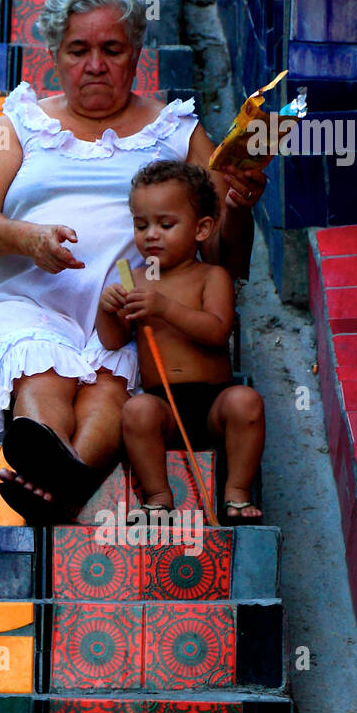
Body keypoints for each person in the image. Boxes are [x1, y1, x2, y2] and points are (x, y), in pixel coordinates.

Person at [0, 0, 266, 523]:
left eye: (113, 49)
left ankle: (57, 485)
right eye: (79, 50)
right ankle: (68, 477)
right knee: (41, 372)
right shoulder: (22, 123)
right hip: (34, 301)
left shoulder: (177, 132)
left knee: (110, 389)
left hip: (130, 308)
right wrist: (27, 237)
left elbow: (227, 257)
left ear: (136, 54)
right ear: (55, 54)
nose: (96, 64)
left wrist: (241, 209)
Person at [96, 160, 265, 520]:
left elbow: (218, 330)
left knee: (246, 401)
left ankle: (236, 493)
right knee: (136, 410)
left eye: (165, 224)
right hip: (164, 409)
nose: (151, 235)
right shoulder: (135, 279)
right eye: (141, 226)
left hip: (214, 402)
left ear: (202, 229)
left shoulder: (211, 276)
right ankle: (157, 495)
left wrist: (164, 307)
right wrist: (107, 310)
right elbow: (112, 341)